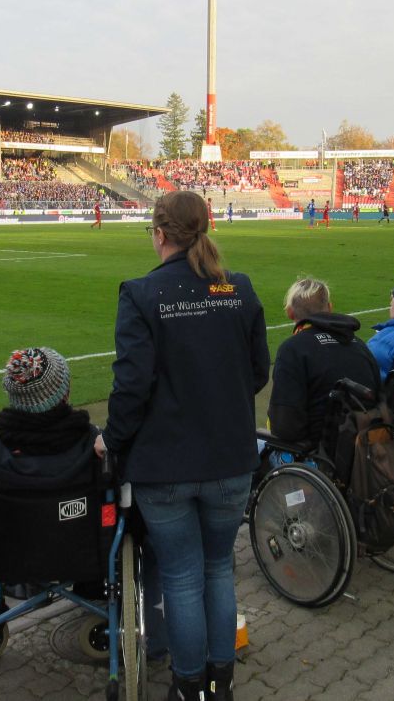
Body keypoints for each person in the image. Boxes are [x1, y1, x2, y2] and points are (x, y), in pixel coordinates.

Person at [96, 190, 269, 701]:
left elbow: (132, 386)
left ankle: (189, 683)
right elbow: (258, 371)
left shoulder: (142, 293)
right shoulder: (237, 288)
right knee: (217, 568)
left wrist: (111, 440)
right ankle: (220, 683)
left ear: (160, 234)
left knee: (182, 575)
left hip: (165, 465)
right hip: (229, 457)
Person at [267, 278, 380, 447]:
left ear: (290, 313)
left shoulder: (292, 349)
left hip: (318, 454)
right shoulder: (359, 344)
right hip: (367, 448)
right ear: (330, 308)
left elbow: (284, 428)